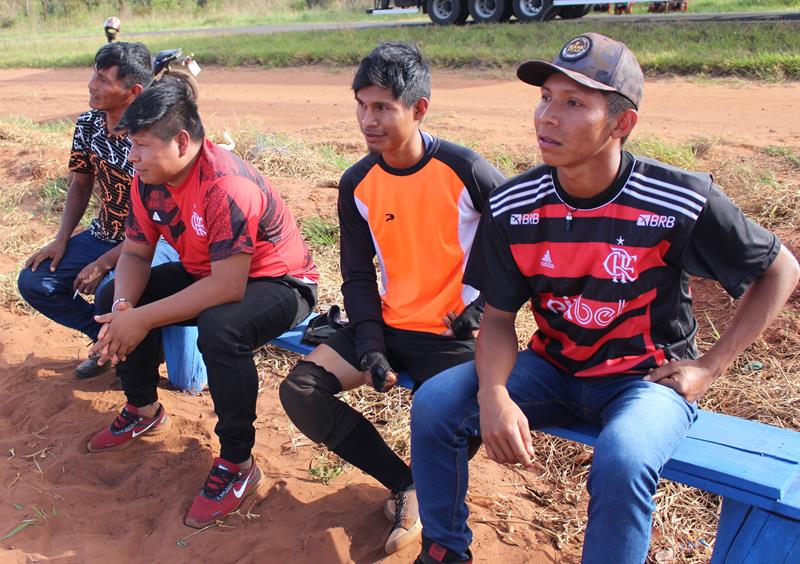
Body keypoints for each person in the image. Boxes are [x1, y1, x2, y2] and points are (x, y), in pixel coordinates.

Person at [410, 33, 800, 564]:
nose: (548, 116)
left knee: (622, 457)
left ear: (621, 123)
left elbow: (780, 270)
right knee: (434, 403)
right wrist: (494, 394)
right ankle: (445, 550)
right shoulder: (514, 204)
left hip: (644, 381)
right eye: (545, 96)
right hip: (553, 368)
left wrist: (708, 367)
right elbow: (499, 319)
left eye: (574, 103)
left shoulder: (677, 199)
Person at [278, 41, 505, 555]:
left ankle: (431, 497)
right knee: (302, 391)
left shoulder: (468, 170)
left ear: (419, 109)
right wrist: (372, 344)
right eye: (360, 104)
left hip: (454, 338)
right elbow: (356, 275)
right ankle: (406, 482)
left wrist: (481, 309)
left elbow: (520, 247)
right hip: (390, 325)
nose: (367, 119)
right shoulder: (358, 181)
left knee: (443, 416)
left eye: (382, 107)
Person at [86, 77, 319, 528]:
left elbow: (229, 288)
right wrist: (123, 311)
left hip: (280, 282)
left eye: (142, 146)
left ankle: (237, 463)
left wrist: (141, 319)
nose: (132, 157)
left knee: (222, 328)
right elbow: (135, 251)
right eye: (130, 145)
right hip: (208, 272)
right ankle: (143, 410)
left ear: (182, 140)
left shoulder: (225, 185)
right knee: (111, 294)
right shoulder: (148, 179)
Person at [17, 41, 206, 390]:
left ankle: (130, 346)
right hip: (104, 234)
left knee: (112, 289)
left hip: (152, 241)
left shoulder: (155, 138)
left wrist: (104, 264)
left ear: (132, 91)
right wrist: (61, 240)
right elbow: (80, 184)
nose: (92, 84)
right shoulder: (88, 124)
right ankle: (109, 338)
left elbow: (162, 222)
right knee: (35, 281)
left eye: (103, 79)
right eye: (94, 74)